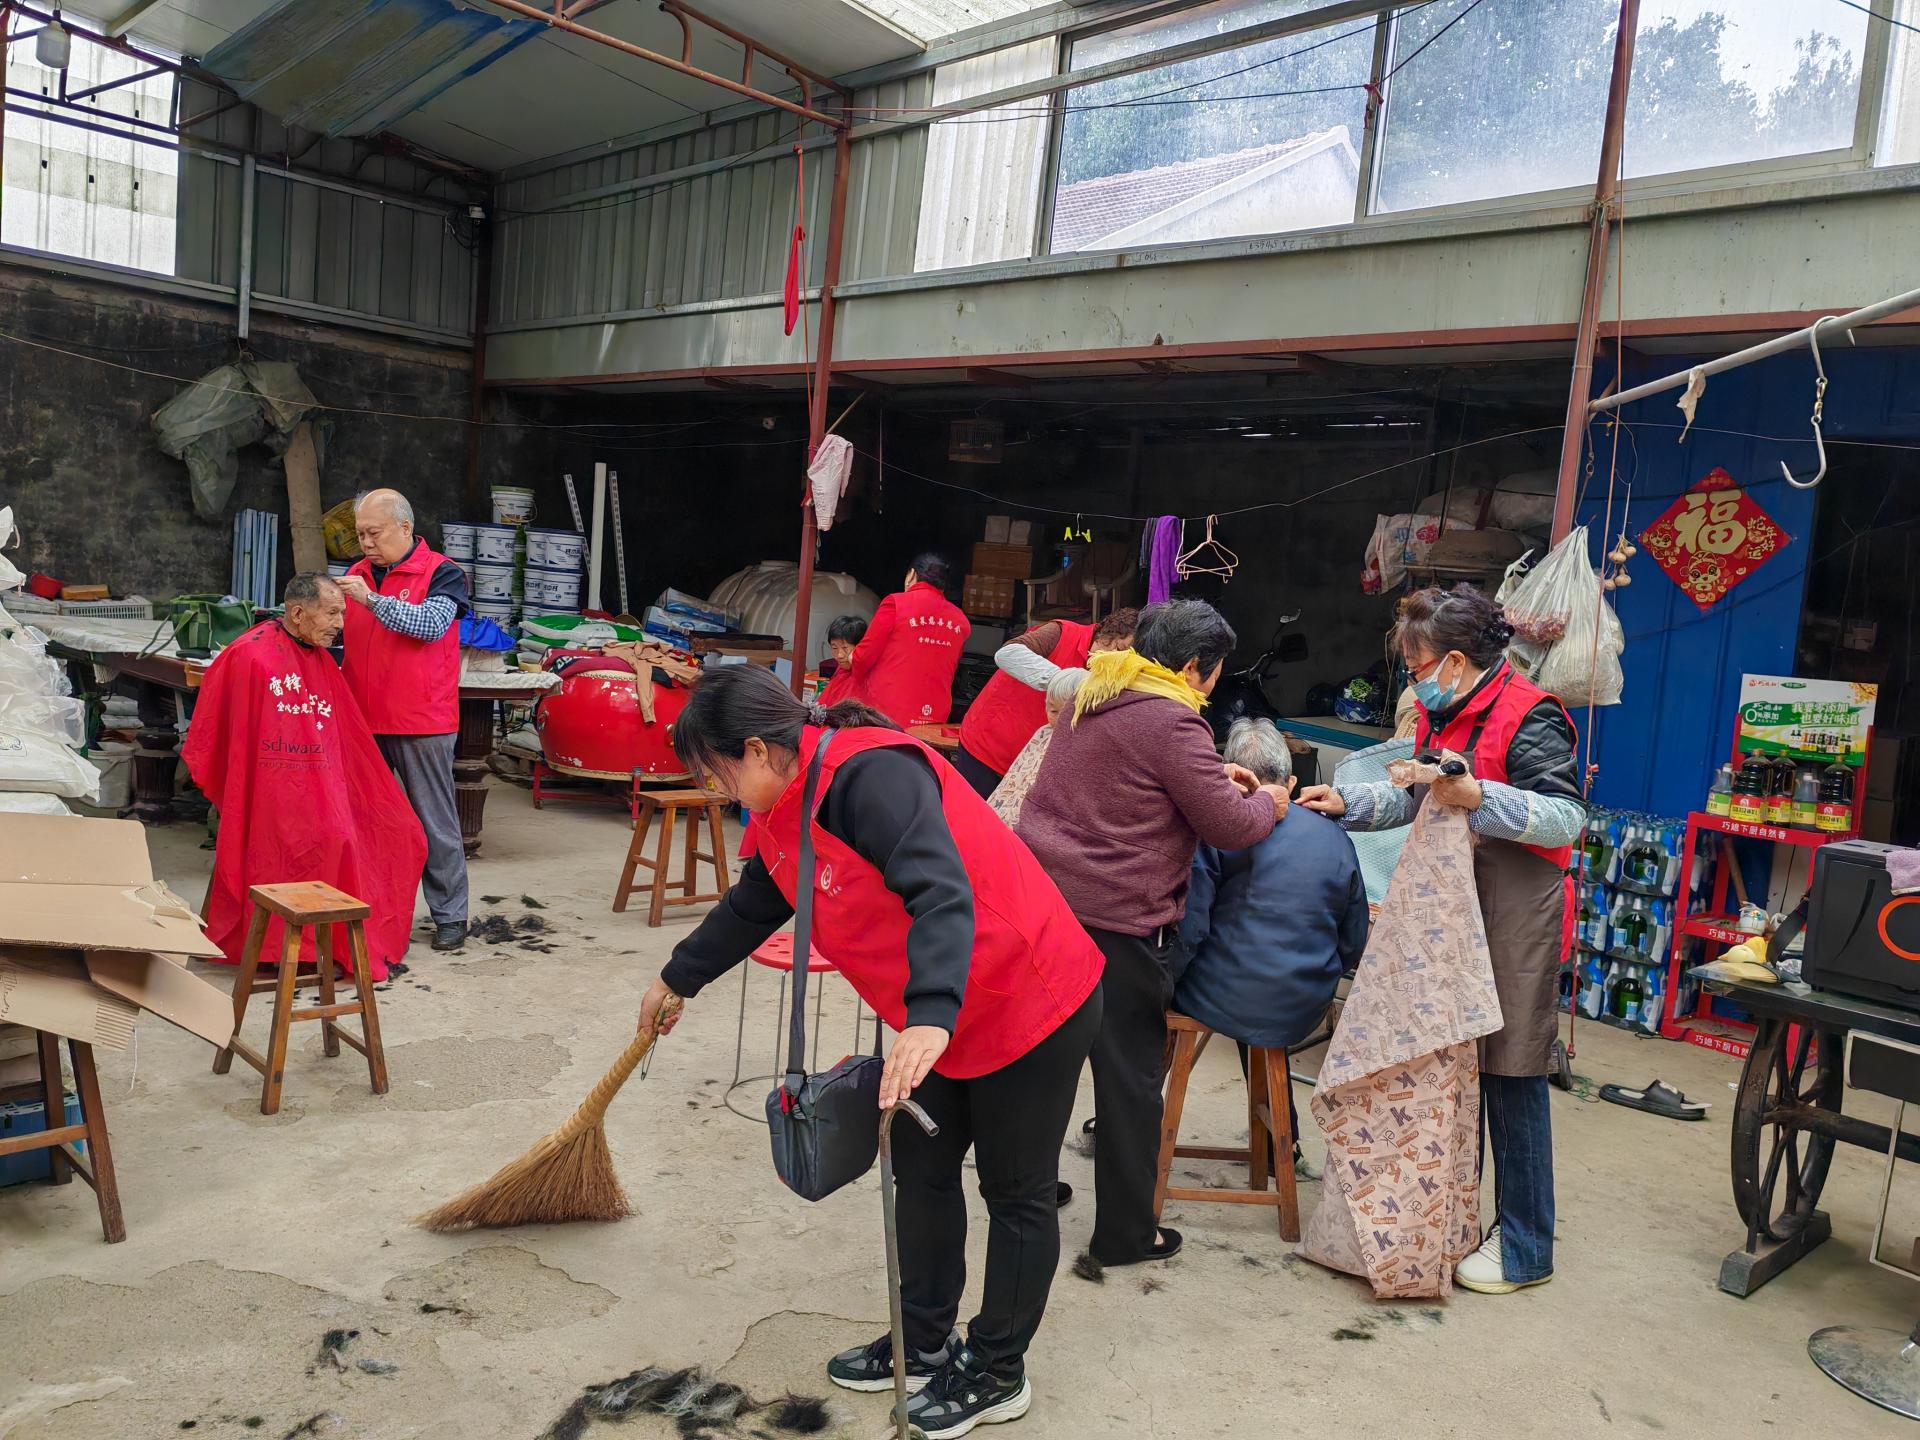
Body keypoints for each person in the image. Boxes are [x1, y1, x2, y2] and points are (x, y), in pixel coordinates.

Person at [634, 666, 1103, 1440]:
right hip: (940, 1010)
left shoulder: (871, 777)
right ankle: (924, 1339)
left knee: (1016, 1192)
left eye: (715, 772)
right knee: (921, 1167)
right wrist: (675, 977)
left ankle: (997, 1372)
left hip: (1027, 992)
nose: (714, 790)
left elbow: (940, 891)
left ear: (756, 751)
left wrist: (930, 1015)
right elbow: (758, 899)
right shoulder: (785, 805)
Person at [1299, 584, 1583, 1296]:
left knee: (1512, 1068)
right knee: (1446, 1060)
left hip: (1516, 906)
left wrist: (1480, 796)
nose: (1414, 680)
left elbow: (1565, 818)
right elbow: (1414, 795)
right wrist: (1348, 801)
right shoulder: (1442, 712)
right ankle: (1452, 1220)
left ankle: (1526, 1245)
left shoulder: (1532, 715)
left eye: (1418, 666)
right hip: (1447, 906)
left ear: (1455, 661)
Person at [1017, 598, 1289, 1267]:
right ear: (1194, 666)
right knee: (1128, 1081)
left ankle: (1028, 1193)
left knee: (1042, 1065)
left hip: (1045, 907)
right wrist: (1269, 800)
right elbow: (1231, 827)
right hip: (1117, 924)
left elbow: (1126, 780)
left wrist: (1212, 776)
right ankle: (1125, 1236)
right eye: (1215, 671)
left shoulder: (1094, 691)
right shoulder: (1172, 719)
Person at [182, 574, 426, 982]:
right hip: (270, 792)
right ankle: (298, 944)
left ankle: (333, 939)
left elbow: (347, 740)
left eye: (342, 614)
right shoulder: (250, 656)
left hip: (321, 785)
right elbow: (217, 735)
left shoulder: (321, 660)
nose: (340, 624)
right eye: (331, 613)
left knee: (400, 829)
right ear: (297, 613)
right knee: (333, 837)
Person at [1176, 718, 1368, 1051]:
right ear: (1291, 783)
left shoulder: (1217, 832)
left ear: (1231, 776)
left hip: (1218, 999)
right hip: (1302, 1009)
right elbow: (1352, 941)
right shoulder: (1335, 837)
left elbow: (1190, 930)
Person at [337, 488, 471, 952]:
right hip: (363, 721)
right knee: (363, 822)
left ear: (405, 527)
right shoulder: (356, 575)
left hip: (422, 721)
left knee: (434, 823)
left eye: (373, 533)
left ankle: (451, 916)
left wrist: (371, 601)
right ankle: (369, 915)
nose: (365, 543)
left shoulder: (443, 573)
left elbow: (429, 626)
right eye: (360, 535)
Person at [953, 607, 1138, 799]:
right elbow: (1008, 653)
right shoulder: (1062, 632)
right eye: (1118, 648)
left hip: (1031, 766)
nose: (1117, 658)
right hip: (986, 747)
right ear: (1106, 634)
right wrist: (1062, 680)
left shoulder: (1119, 676)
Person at [839, 553, 969, 727]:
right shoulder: (960, 620)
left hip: (888, 713)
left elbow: (863, 658)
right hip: (934, 716)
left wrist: (852, 657)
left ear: (912, 574)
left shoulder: (895, 604)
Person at [987, 667, 1088, 829]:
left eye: (1065, 713)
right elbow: (1016, 774)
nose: (1057, 718)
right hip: (1008, 812)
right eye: (1053, 710)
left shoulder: (1083, 743)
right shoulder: (1043, 733)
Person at [817, 613, 868, 706]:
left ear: (860, 647)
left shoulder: (867, 679)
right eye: (835, 648)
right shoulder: (840, 673)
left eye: (845, 648)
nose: (839, 655)